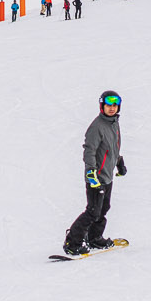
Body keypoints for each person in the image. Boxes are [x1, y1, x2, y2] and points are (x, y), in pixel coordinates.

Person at [62, 92, 124, 256]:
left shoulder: (114, 124)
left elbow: (112, 148)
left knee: (103, 208)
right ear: (102, 106)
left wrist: (119, 161)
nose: (112, 108)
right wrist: (91, 173)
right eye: (108, 105)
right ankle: (72, 242)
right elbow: (89, 151)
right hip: (96, 177)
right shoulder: (97, 127)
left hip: (107, 176)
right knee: (93, 211)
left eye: (115, 105)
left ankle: (94, 237)